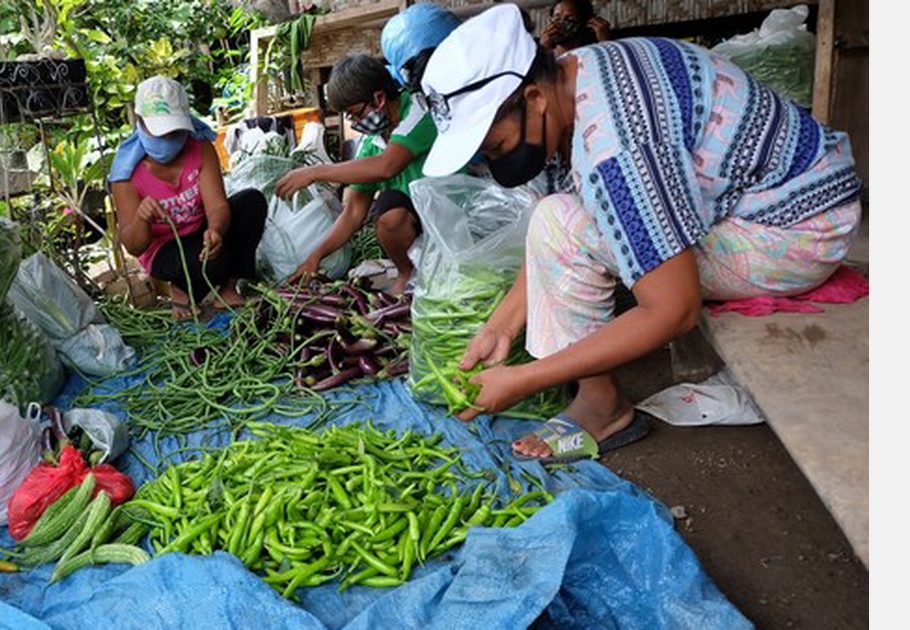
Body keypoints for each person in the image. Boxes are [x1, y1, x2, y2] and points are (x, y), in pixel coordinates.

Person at [418, 5, 864, 463]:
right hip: (772, 198)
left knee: (564, 223)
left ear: (533, 98)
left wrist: (527, 378)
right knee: (555, 217)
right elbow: (556, 232)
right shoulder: (582, 73)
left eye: (498, 147)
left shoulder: (616, 146)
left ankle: (602, 408)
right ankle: (598, 398)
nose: (499, 163)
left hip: (795, 230)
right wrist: (501, 326)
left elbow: (674, 310)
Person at [272, 50, 452, 294]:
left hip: (451, 212)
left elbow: (387, 166)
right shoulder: (372, 142)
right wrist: (316, 257)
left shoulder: (419, 111)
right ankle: (408, 274)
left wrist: (315, 172)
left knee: (391, 205)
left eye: (356, 113)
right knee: (388, 213)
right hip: (419, 219)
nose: (355, 123)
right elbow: (354, 212)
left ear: (379, 99)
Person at [110, 76, 268, 320]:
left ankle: (227, 289)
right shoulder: (126, 174)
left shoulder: (200, 148)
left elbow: (217, 205)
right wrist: (142, 218)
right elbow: (133, 245)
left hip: (199, 233)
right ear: (140, 124)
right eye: (161, 133)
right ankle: (181, 289)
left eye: (175, 132)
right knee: (212, 262)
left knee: (251, 202)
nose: (168, 140)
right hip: (165, 250)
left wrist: (215, 229)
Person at [538, 0, 611, 54]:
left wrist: (605, 42)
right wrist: (542, 50)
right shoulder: (544, 55)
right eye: (557, 18)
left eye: (570, 19)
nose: (561, 23)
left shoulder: (591, 52)